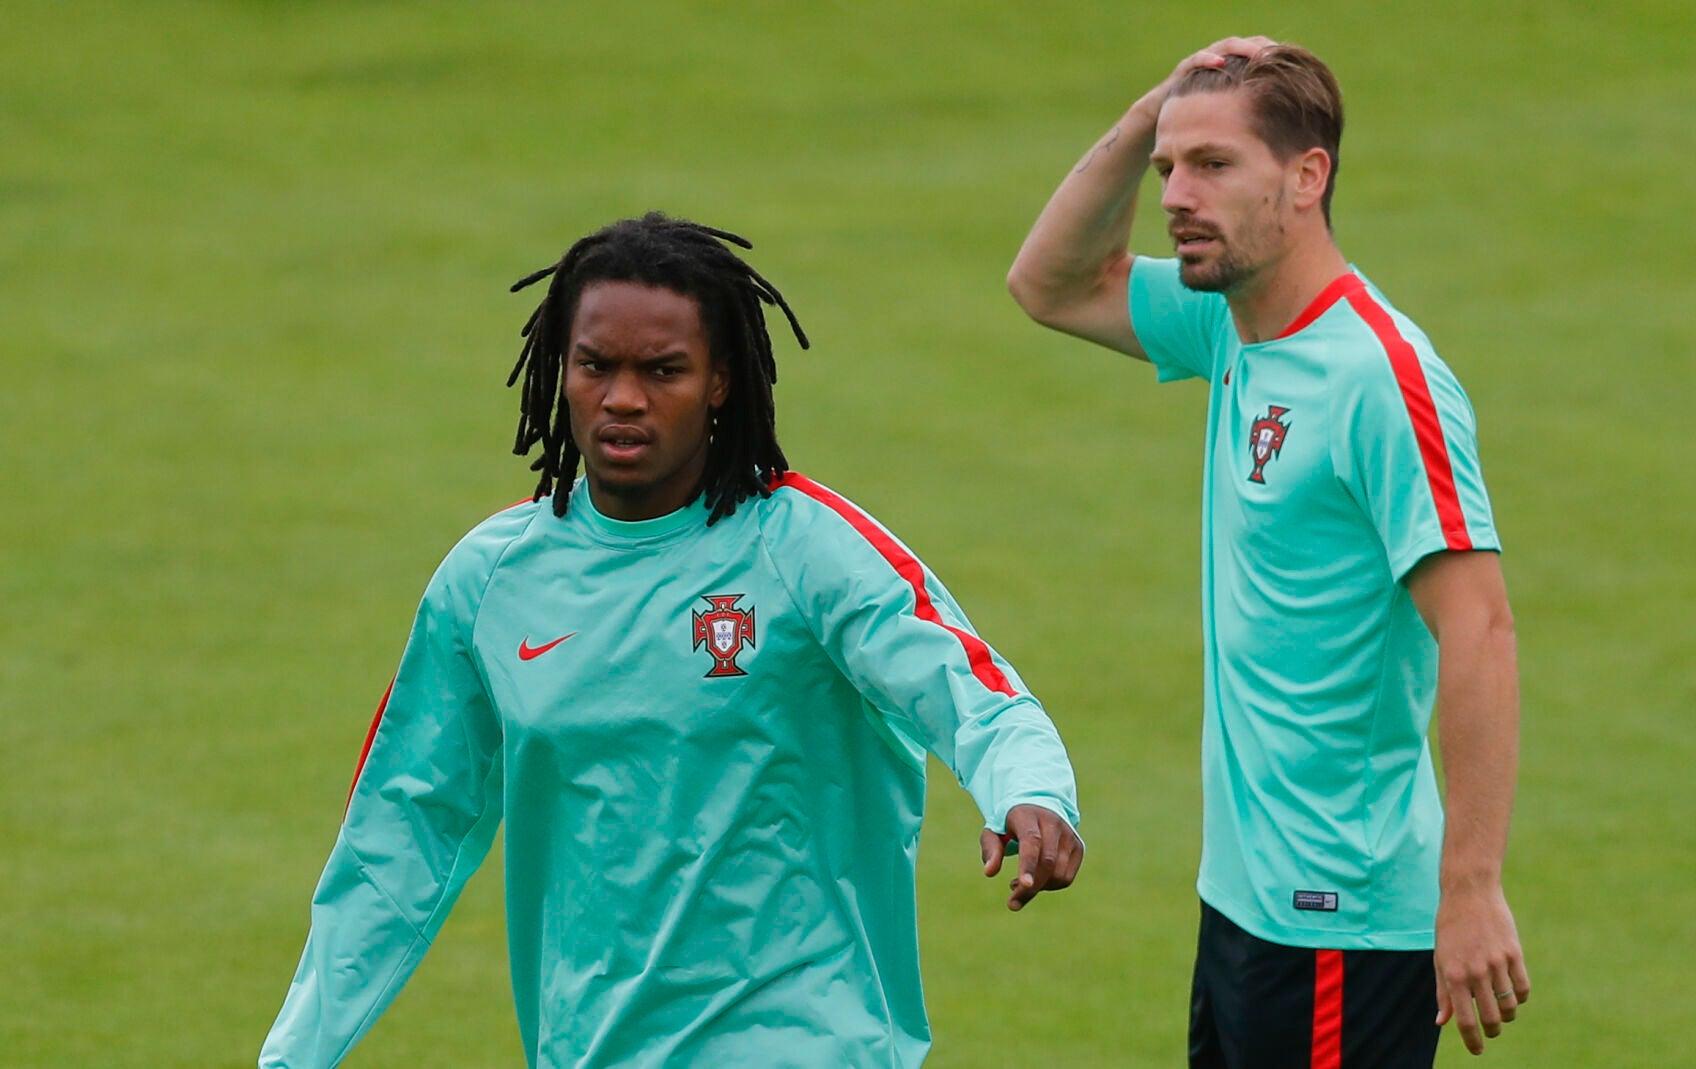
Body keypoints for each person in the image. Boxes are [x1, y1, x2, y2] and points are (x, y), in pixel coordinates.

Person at [259, 212, 1084, 1068]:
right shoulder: (491, 583)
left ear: (720, 381)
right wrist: (293, 1056)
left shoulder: (804, 550)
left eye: (662, 371)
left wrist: (1031, 791)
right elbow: (401, 831)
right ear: (561, 368)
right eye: (596, 366)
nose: (623, 397)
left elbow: (967, 687)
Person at [1007, 39, 1527, 1065]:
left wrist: (1469, 890)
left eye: (1212, 166)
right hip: (1244, 899)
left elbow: (1478, 625)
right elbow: (1049, 282)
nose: (1175, 197)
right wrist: (1152, 112)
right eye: (1167, 170)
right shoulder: (1229, 325)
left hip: (1338, 916)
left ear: (1306, 176)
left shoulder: (1381, 379)